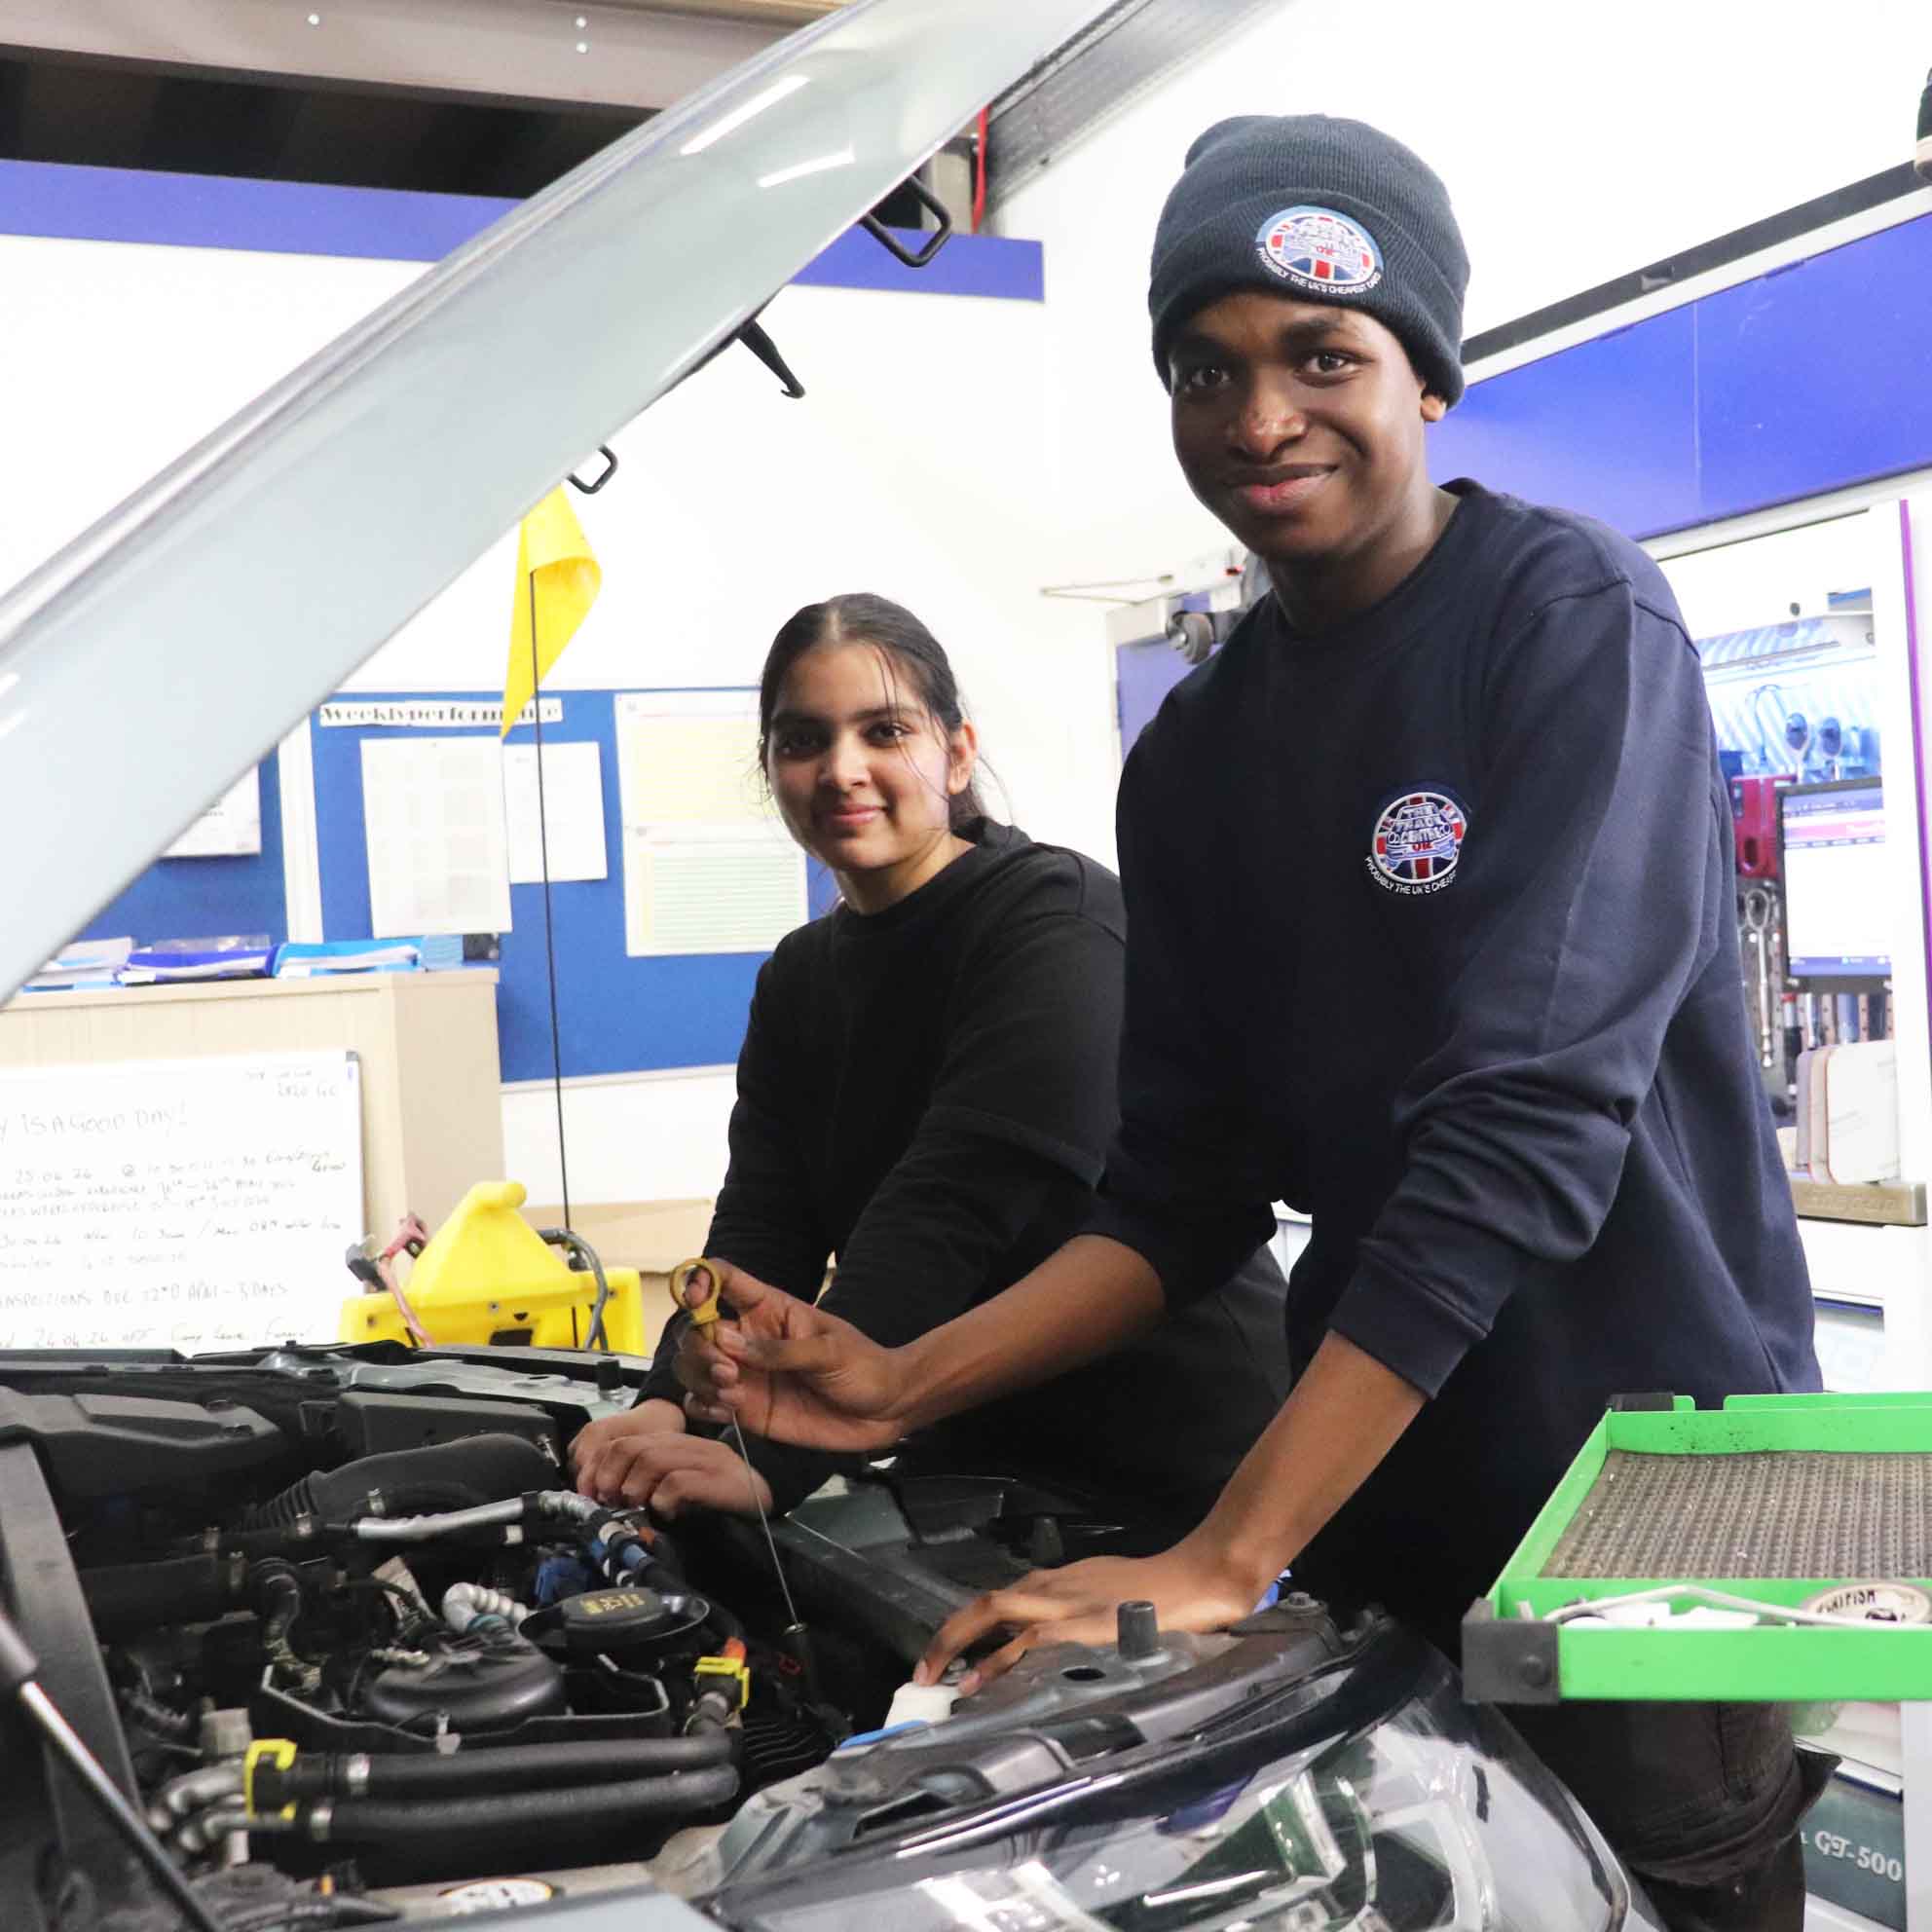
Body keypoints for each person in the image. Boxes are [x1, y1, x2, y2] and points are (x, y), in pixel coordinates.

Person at [666, 122, 1829, 1928]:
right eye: (1206, 369)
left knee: (1656, 1894)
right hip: (1393, 1495)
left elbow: (1519, 1125)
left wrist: (1230, 1541)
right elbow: (1173, 1192)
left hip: (1668, 1497)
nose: (1259, 413)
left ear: (1425, 378)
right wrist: (900, 1379)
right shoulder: (1195, 756)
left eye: (1320, 355)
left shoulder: (1572, 618)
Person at [570, 591, 1287, 1539]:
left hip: (1187, 1470)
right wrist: (671, 1397)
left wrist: (774, 1458)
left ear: (954, 753)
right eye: (803, 740)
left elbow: (955, 1208)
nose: (842, 770)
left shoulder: (1054, 920)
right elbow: (761, 1228)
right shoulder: (799, 976)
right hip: (974, 1465)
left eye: (884, 730)